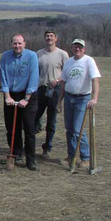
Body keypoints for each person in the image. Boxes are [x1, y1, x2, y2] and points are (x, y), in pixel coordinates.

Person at [58, 39, 101, 169]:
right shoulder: (69, 62)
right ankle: (71, 156)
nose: (77, 49)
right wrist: (59, 101)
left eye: (80, 47)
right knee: (69, 129)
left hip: (82, 98)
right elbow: (63, 82)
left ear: (84, 49)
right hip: (69, 98)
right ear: (72, 48)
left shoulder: (89, 61)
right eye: (75, 46)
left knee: (77, 129)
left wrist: (94, 98)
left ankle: (85, 158)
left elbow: (95, 80)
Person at [0, 34, 39, 171]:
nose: (17, 46)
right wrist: (7, 96)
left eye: (20, 43)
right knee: (12, 128)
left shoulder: (32, 56)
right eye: (15, 43)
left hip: (28, 95)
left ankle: (30, 159)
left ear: (25, 43)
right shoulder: (5, 56)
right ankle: (16, 153)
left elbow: (34, 77)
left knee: (29, 129)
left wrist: (26, 98)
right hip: (10, 95)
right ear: (12, 44)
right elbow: (3, 76)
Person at [34, 29, 69, 158]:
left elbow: (67, 73)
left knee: (51, 120)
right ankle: (30, 145)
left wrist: (57, 81)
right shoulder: (38, 54)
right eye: (47, 36)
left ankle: (47, 148)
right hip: (41, 90)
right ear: (44, 38)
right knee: (34, 117)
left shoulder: (62, 54)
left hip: (55, 90)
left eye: (51, 36)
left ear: (56, 38)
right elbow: (35, 72)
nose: (49, 38)